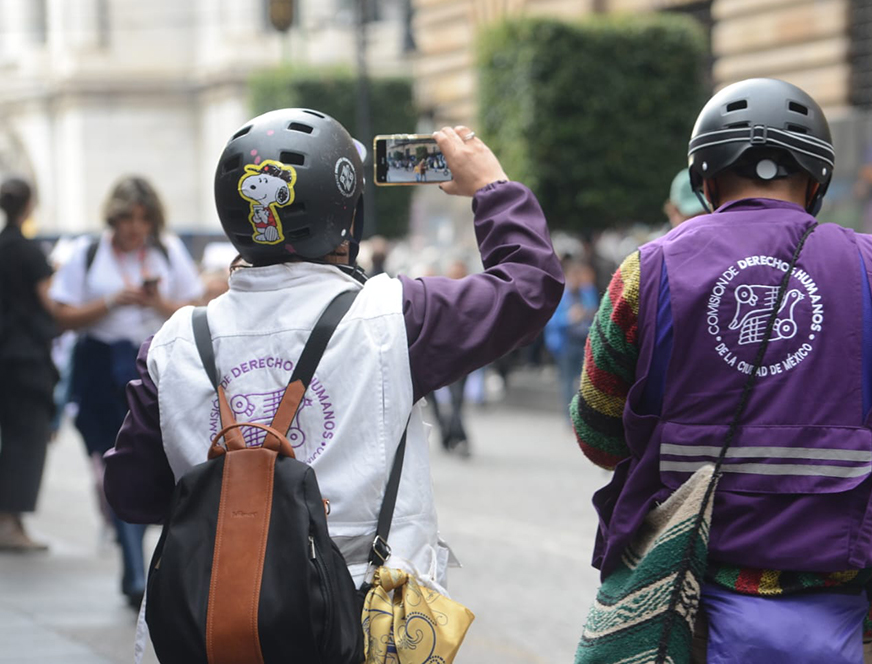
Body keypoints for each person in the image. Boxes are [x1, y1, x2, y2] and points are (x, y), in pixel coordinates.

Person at [102, 113, 562, 646]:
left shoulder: (171, 344)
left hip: (210, 628)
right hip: (364, 624)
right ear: (347, 218)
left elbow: (131, 493)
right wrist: (492, 187)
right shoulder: (395, 318)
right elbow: (528, 286)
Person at [571, 78, 872, 662]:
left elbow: (598, 437)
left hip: (683, 614)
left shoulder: (643, 273)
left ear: (705, 180)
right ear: (817, 178)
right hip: (852, 618)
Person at [49, 176, 203, 607]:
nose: (135, 228)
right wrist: (111, 302)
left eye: (143, 219)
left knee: (155, 463)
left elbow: (194, 308)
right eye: (127, 219)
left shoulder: (166, 251)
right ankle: (134, 567)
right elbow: (61, 315)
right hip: (100, 368)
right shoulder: (88, 253)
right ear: (113, 219)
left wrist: (154, 302)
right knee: (112, 465)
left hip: (154, 364)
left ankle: (140, 570)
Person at [0, 178, 58, 552]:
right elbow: (50, 303)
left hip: (4, 355)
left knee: (11, 438)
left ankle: (9, 520)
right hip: (26, 359)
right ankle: (9, 521)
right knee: (27, 440)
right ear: (29, 205)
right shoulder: (29, 251)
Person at [425, 259, 476, 457]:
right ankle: (449, 435)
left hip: (461, 358)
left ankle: (457, 437)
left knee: (457, 400)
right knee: (437, 402)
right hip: (436, 357)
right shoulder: (441, 298)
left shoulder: (472, 300)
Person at [546, 258, 599, 421]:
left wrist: (588, 313)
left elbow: (596, 314)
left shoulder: (587, 292)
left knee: (584, 380)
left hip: (583, 341)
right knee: (567, 381)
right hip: (566, 343)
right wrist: (569, 318)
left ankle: (583, 415)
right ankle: (570, 416)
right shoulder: (560, 296)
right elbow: (551, 321)